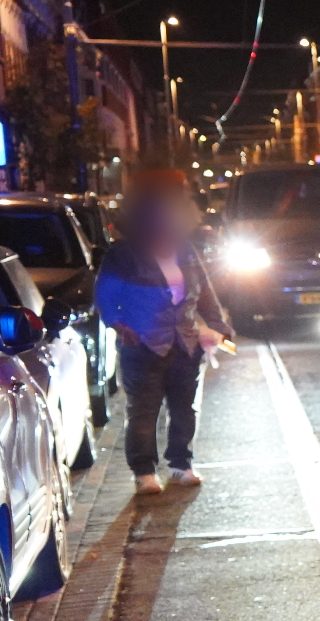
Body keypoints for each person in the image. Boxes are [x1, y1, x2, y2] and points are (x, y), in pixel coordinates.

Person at [95, 183, 232, 495]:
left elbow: (205, 291)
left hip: (185, 343)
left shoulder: (185, 250)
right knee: (143, 411)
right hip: (143, 345)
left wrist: (219, 326)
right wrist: (119, 325)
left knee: (184, 408)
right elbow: (105, 294)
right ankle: (143, 470)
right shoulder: (123, 255)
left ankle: (181, 465)